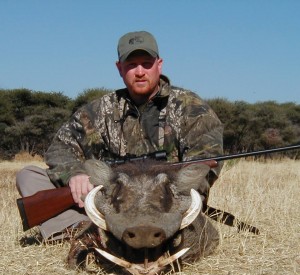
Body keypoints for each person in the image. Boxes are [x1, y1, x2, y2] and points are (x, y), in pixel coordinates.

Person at [16, 31, 223, 240]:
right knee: (29, 176)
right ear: (119, 69)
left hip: (161, 201)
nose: (140, 71)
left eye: (146, 63)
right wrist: (75, 173)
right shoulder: (100, 109)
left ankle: (116, 231)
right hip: (111, 196)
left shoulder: (191, 108)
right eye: (132, 65)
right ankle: (77, 229)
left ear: (159, 65)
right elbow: (60, 146)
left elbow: (204, 164)